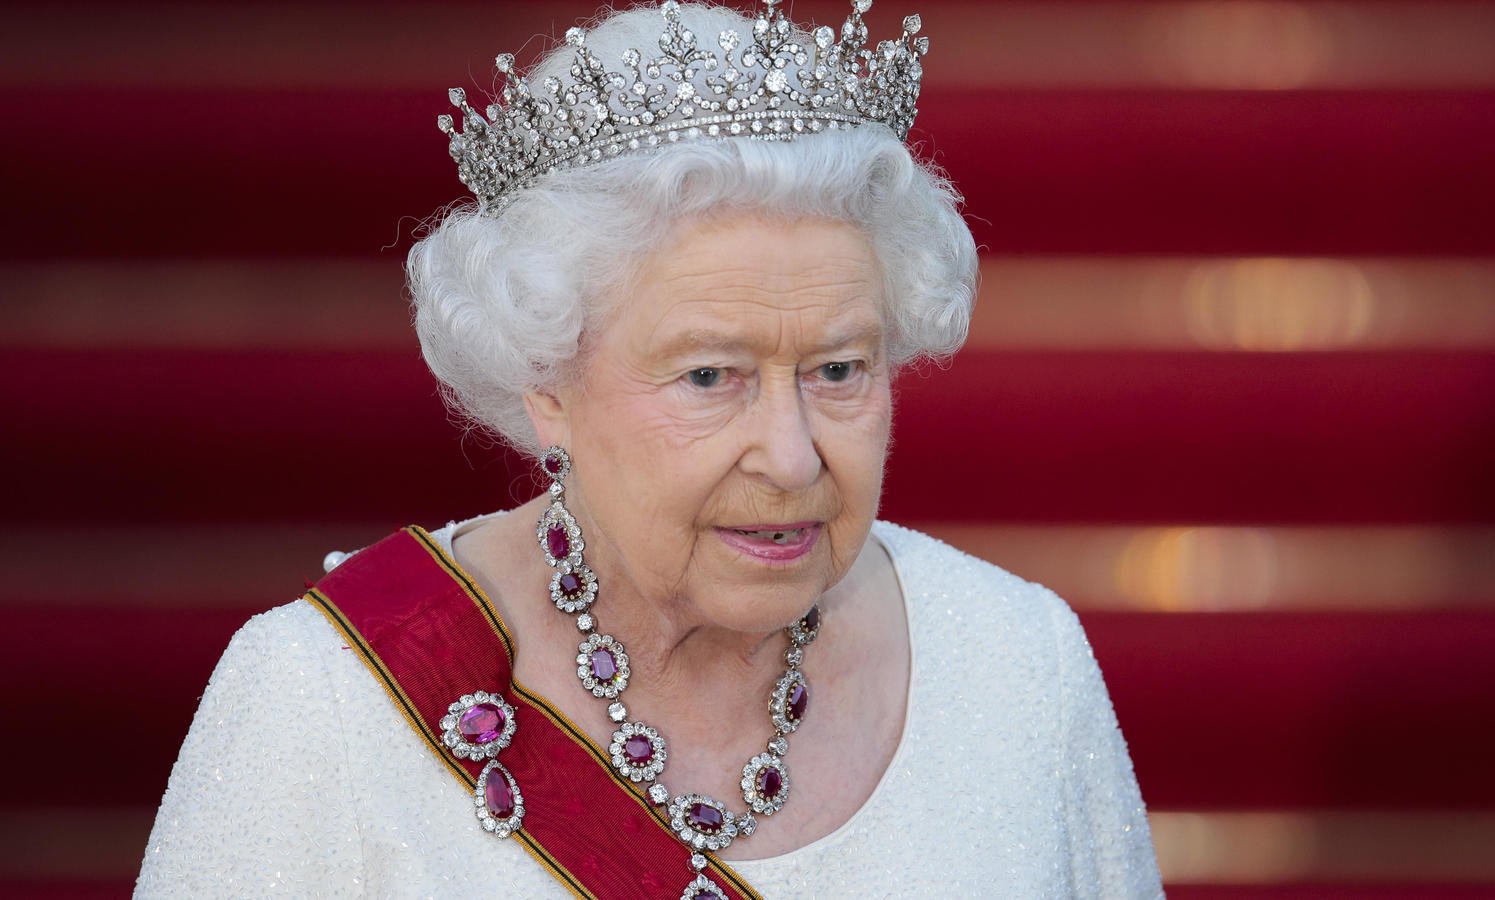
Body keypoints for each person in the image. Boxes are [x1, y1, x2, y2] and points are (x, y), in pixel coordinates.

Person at [136, 1, 1161, 896]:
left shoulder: (1018, 661)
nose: (793, 458)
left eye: (838, 371)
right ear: (547, 383)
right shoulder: (323, 700)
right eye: (710, 377)